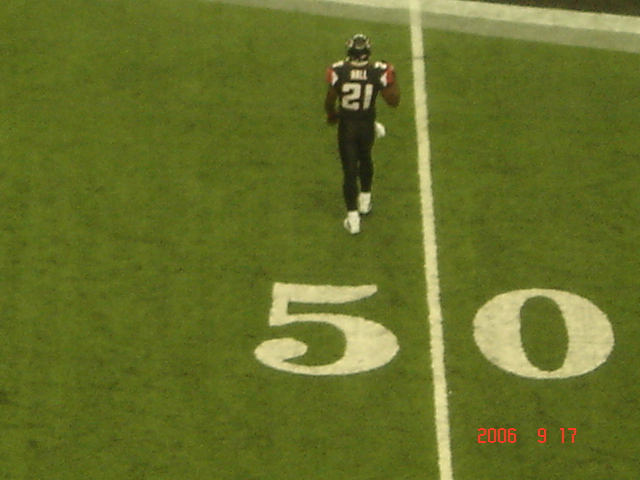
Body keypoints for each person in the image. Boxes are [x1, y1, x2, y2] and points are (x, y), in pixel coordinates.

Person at [324, 33, 400, 234]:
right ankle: (365, 200)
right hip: (366, 124)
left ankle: (353, 218)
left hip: (348, 126)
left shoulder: (339, 70)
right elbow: (393, 101)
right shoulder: (377, 71)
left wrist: (332, 114)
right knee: (365, 157)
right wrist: (393, 77)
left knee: (349, 170)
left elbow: (330, 100)